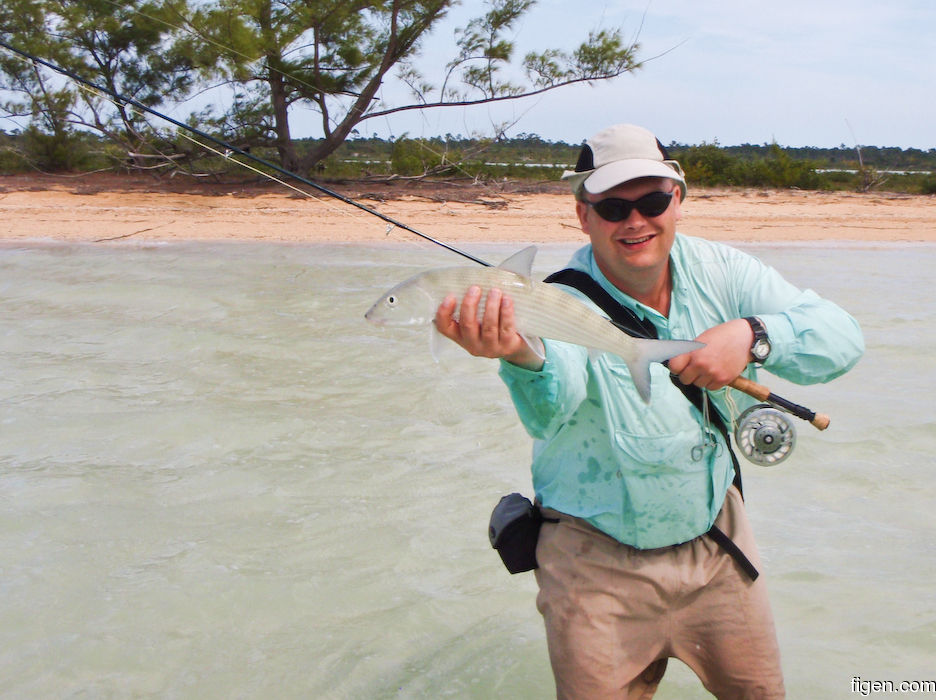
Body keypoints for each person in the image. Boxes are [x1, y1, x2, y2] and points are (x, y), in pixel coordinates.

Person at [434, 123, 864, 699]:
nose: (635, 221)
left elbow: (842, 340)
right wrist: (516, 354)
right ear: (583, 215)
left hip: (716, 545)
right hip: (592, 566)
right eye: (612, 206)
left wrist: (753, 334)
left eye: (652, 200)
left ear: (678, 200)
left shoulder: (725, 272)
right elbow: (549, 410)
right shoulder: (559, 299)